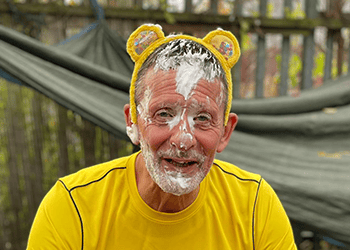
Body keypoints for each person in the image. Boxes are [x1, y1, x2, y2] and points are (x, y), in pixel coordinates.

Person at [27, 24, 297, 249]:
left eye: (202, 119)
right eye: (163, 114)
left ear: (225, 132)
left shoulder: (255, 208)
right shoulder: (72, 208)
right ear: (132, 121)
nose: (183, 140)